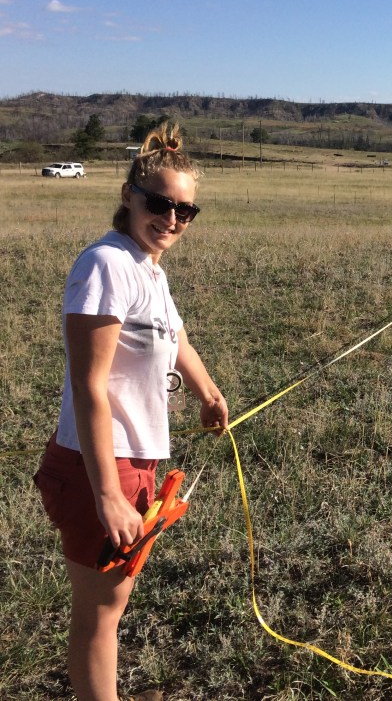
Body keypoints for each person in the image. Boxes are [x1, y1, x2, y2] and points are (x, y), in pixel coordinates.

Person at [34, 122, 229, 701]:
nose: (172, 219)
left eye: (185, 211)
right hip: (102, 466)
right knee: (100, 613)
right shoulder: (106, 265)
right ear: (128, 196)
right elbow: (89, 386)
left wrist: (208, 393)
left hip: (134, 462)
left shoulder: (148, 266)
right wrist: (108, 495)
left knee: (111, 603)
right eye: (160, 204)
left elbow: (176, 336)